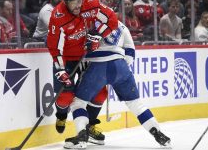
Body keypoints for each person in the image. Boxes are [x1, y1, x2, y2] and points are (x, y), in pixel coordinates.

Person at [64, 21, 171, 149]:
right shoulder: (121, 25)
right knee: (136, 104)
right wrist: (116, 71)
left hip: (97, 66)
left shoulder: (87, 22)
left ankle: (82, 136)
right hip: (120, 65)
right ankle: (157, 133)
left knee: (78, 103)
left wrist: (98, 69)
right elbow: (130, 52)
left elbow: (76, 47)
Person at [46, 0, 118, 145]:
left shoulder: (90, 3)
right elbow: (54, 46)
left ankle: (89, 125)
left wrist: (98, 35)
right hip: (67, 59)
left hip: (87, 57)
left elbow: (112, 19)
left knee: (100, 93)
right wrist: (60, 70)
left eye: (79, 0)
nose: (78, 4)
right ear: (65, 1)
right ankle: (61, 116)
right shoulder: (58, 16)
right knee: (65, 98)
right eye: (73, 1)